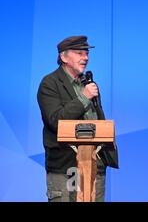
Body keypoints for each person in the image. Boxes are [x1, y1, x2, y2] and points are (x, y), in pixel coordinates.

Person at [37, 35, 118, 202]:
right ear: (63, 56)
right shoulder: (50, 83)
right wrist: (84, 97)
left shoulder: (87, 83)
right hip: (65, 168)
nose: (86, 58)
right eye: (79, 53)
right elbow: (55, 121)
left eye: (87, 53)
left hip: (95, 167)